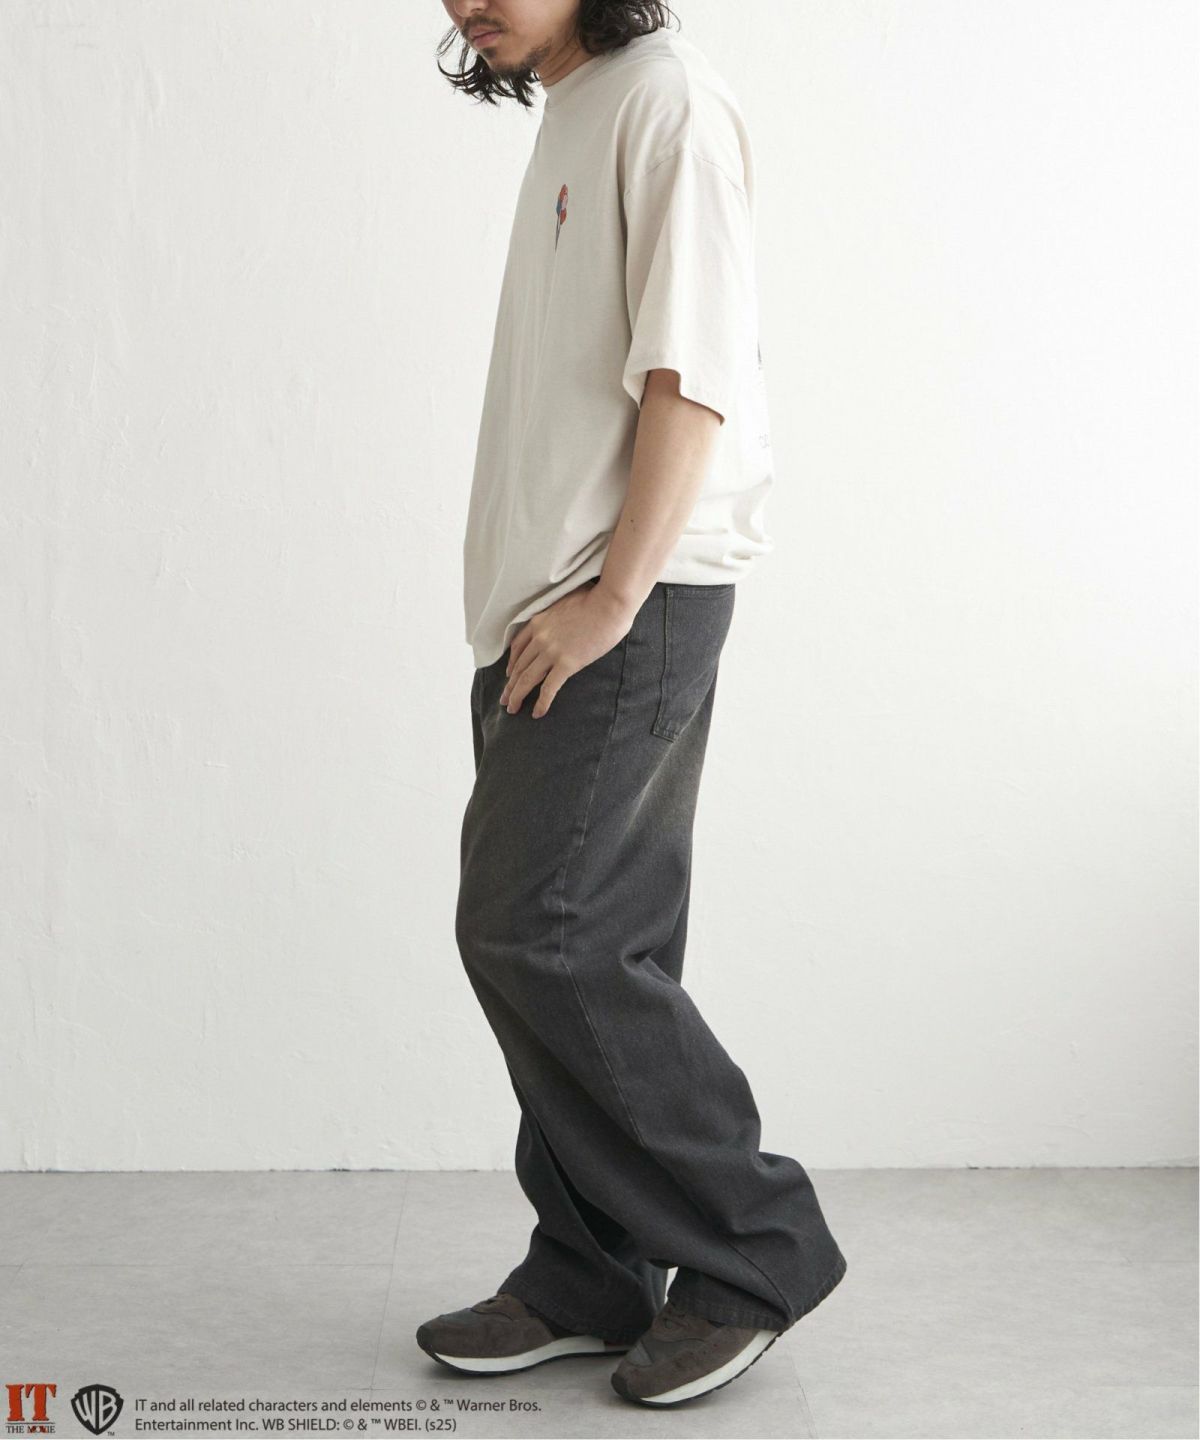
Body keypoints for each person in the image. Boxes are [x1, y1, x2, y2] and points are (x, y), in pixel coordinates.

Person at [417, 0, 848, 1408]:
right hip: (560, 601)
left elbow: (693, 374)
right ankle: (594, 1266)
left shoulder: (667, 101)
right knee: (601, 937)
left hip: (624, 596)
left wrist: (610, 599)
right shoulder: (582, 104)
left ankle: (757, 1247)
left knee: (537, 928)